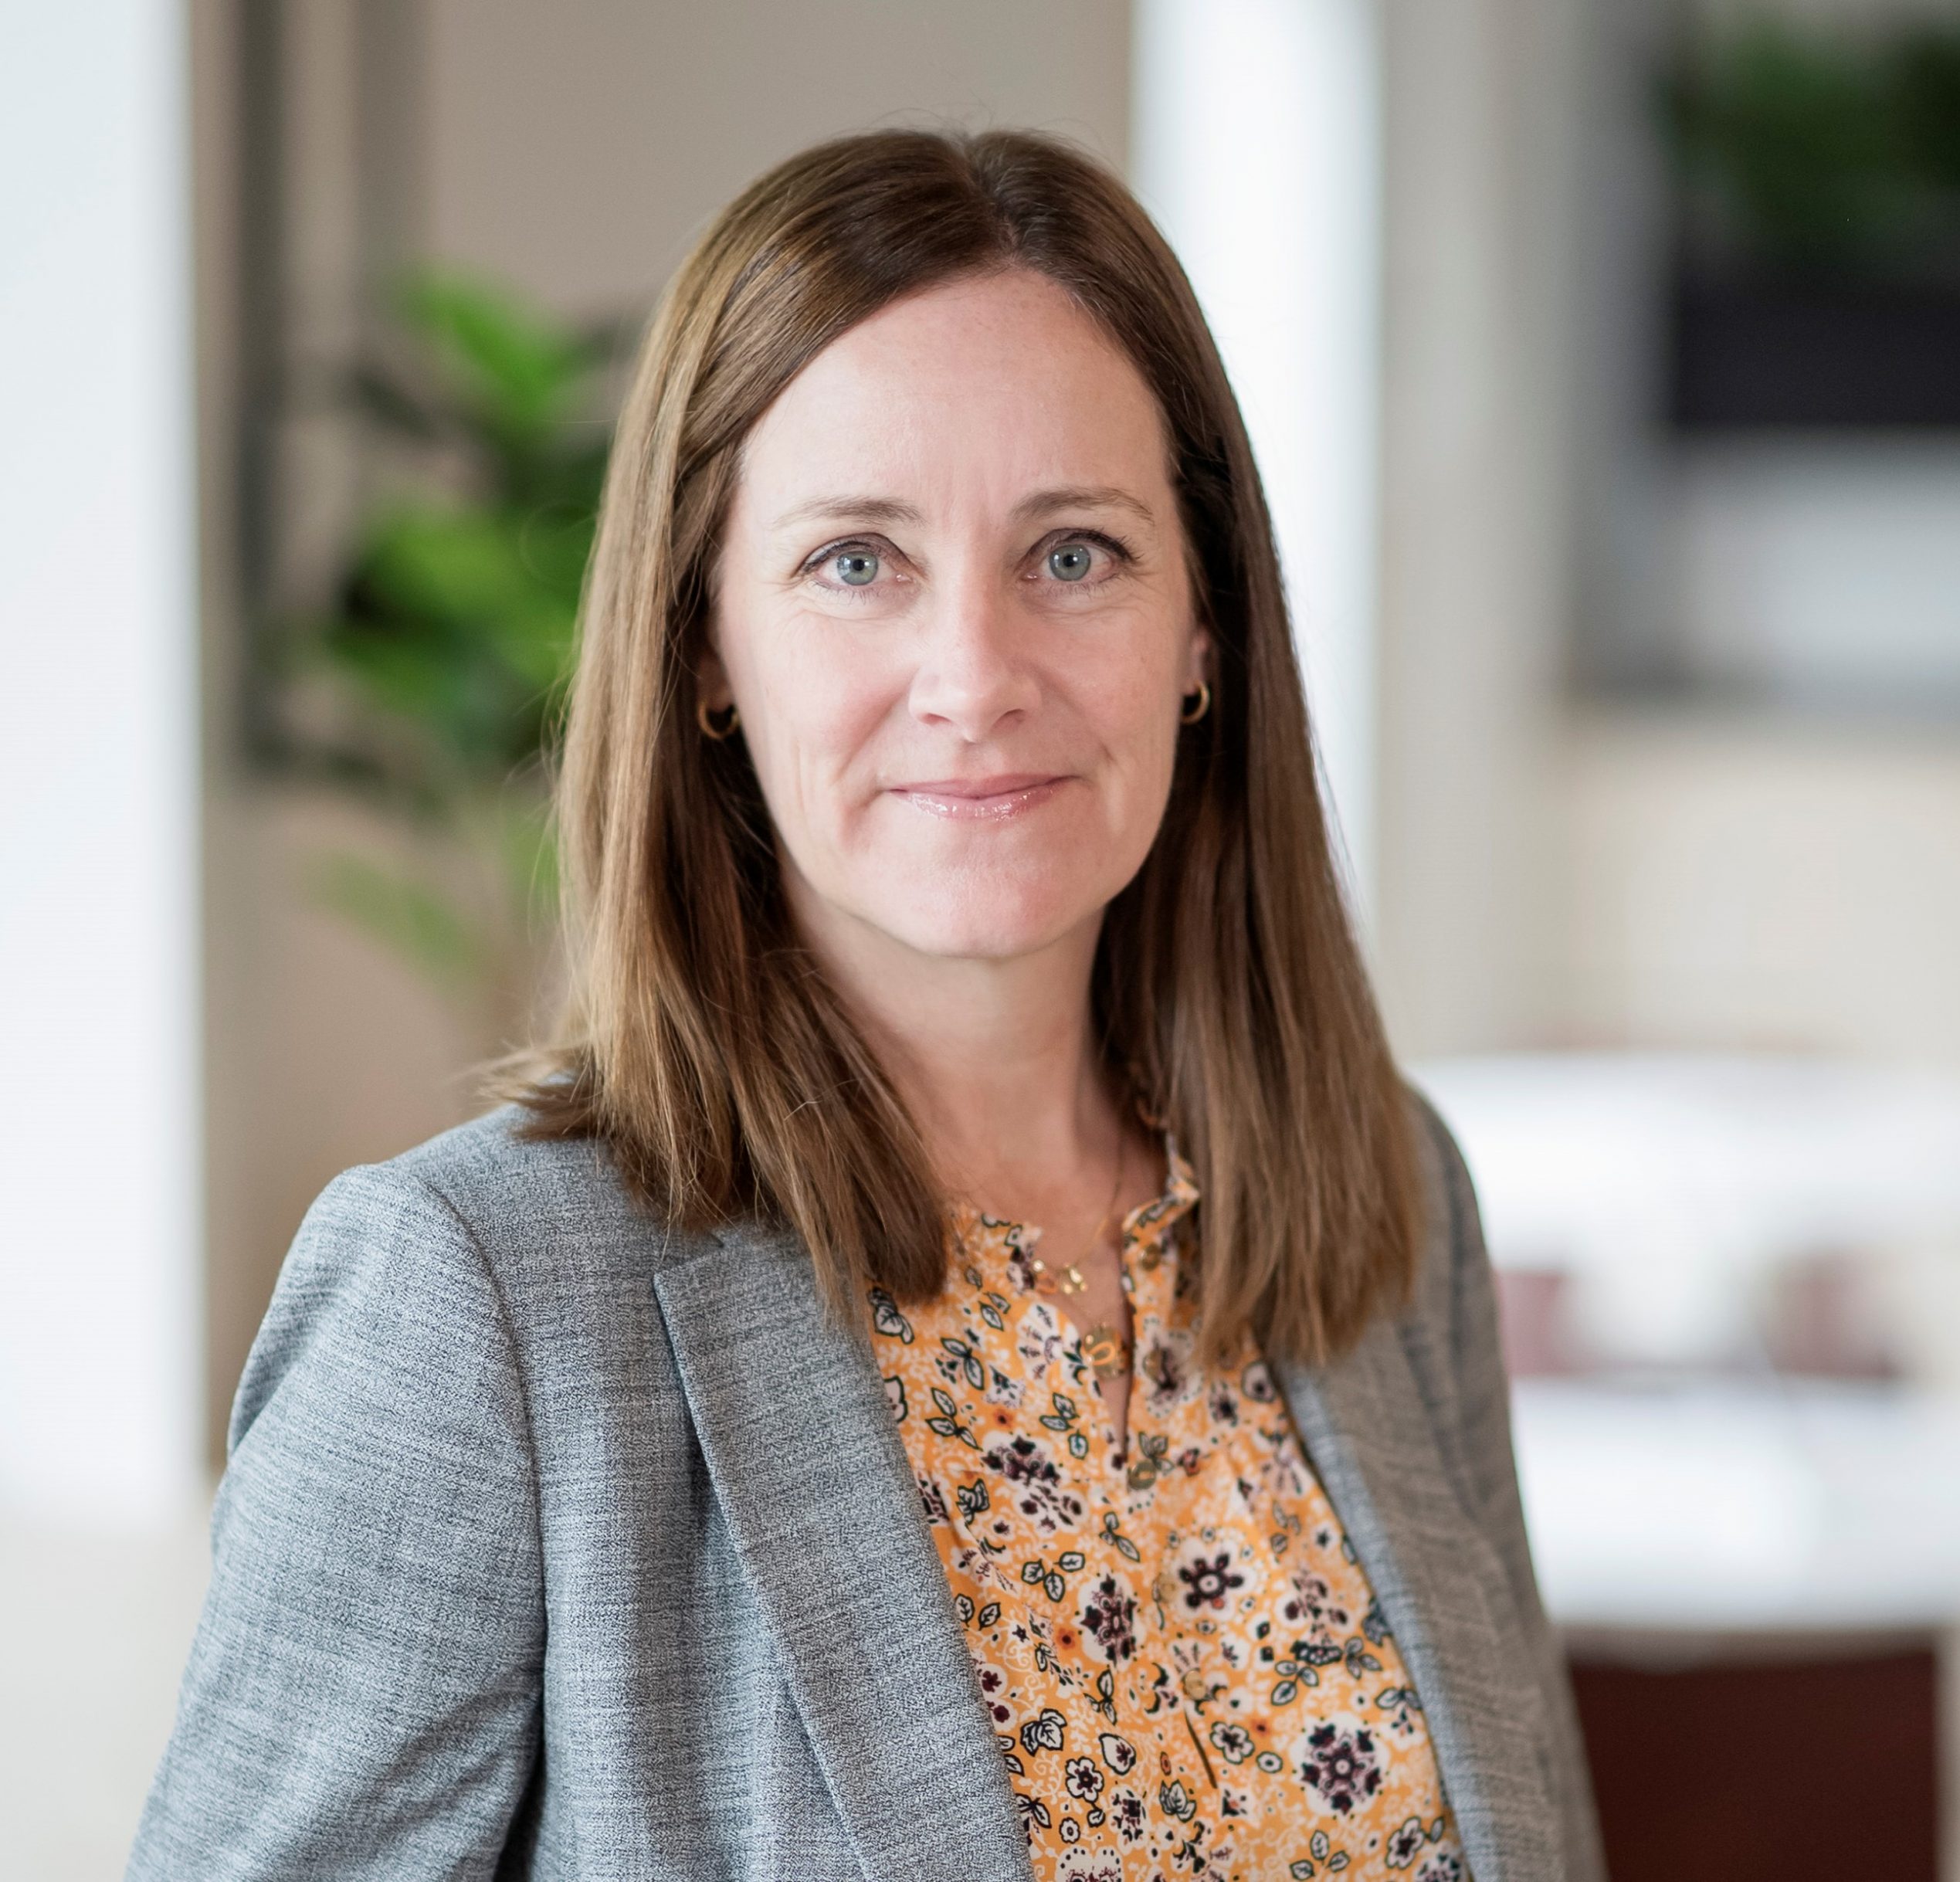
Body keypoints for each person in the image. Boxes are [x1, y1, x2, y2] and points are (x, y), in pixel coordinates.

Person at [130, 129, 1602, 1882]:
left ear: (1204, 626)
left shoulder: (1381, 1201)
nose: (974, 677)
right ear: (703, 650)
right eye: (854, 562)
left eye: (1073, 553)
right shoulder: (473, 1304)